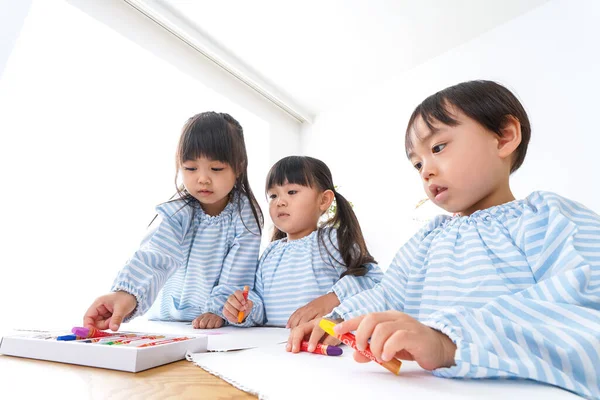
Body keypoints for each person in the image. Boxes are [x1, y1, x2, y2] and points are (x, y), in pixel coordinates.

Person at [288, 81, 600, 399]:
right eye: (418, 163)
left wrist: (447, 341)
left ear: (504, 136)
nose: (426, 172)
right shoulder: (427, 238)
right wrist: (337, 322)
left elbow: (585, 314)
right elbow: (387, 296)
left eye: (437, 148)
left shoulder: (547, 218)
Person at [83, 112, 263, 331]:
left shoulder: (245, 215)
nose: (202, 178)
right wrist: (126, 293)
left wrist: (217, 310)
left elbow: (239, 271)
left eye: (216, 169)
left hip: (217, 325)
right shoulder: (178, 211)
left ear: (239, 166)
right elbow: (156, 254)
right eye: (190, 168)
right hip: (167, 322)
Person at [222, 156, 382, 328]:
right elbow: (261, 309)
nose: (280, 202)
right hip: (274, 347)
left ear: (323, 200)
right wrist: (246, 309)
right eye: (273, 195)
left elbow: (375, 281)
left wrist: (333, 298)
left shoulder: (332, 241)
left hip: (320, 347)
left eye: (291, 192)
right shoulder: (270, 253)